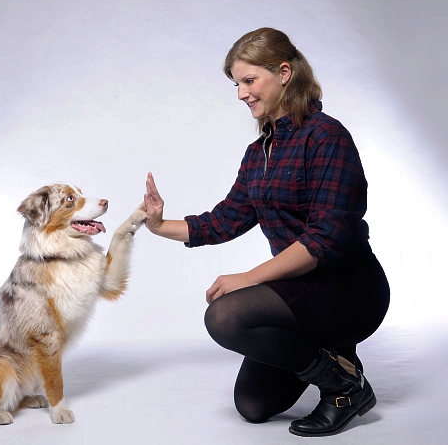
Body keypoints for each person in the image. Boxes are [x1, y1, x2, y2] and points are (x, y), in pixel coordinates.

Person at [142, 27, 390, 437]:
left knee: (225, 315)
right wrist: (157, 225)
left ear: (285, 73)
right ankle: (337, 362)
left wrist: (248, 278)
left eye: (248, 80)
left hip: (347, 291)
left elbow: (323, 239)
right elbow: (224, 219)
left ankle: (344, 387)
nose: (241, 94)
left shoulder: (327, 137)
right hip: (297, 294)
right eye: (236, 84)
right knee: (253, 407)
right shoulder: (258, 154)